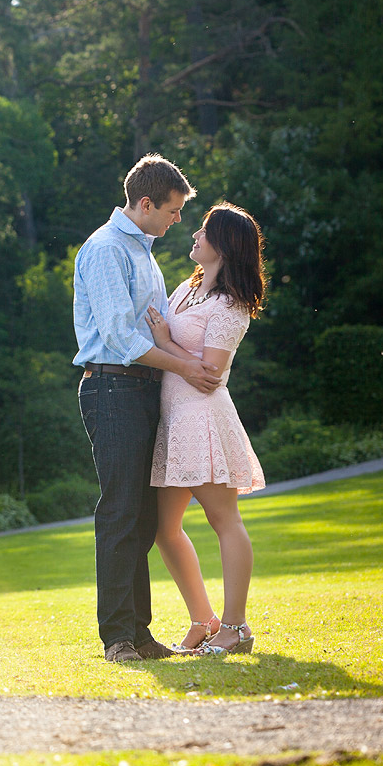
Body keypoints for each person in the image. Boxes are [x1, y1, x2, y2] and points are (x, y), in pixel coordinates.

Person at [73, 153, 223, 664]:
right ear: (145, 203)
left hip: (142, 389)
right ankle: (117, 639)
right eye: (175, 210)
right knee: (120, 511)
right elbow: (119, 336)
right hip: (113, 389)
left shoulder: (144, 251)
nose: (178, 220)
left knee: (141, 517)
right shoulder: (106, 249)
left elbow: (155, 328)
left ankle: (139, 635)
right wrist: (185, 369)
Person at [144, 202, 267, 655]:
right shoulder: (185, 290)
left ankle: (236, 628)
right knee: (163, 528)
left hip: (204, 420)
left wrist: (164, 343)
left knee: (223, 520)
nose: (194, 234)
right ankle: (204, 620)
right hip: (174, 419)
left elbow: (211, 371)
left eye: (204, 230)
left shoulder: (231, 306)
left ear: (224, 244)